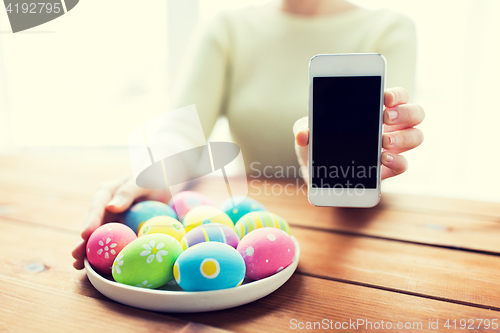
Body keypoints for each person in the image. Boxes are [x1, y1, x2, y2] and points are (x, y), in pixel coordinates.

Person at [72, 0, 425, 269]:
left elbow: (380, 137)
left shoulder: (389, 28)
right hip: (250, 219)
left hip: (355, 244)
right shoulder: (228, 27)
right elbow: (183, 130)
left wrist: (344, 164)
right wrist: (155, 175)